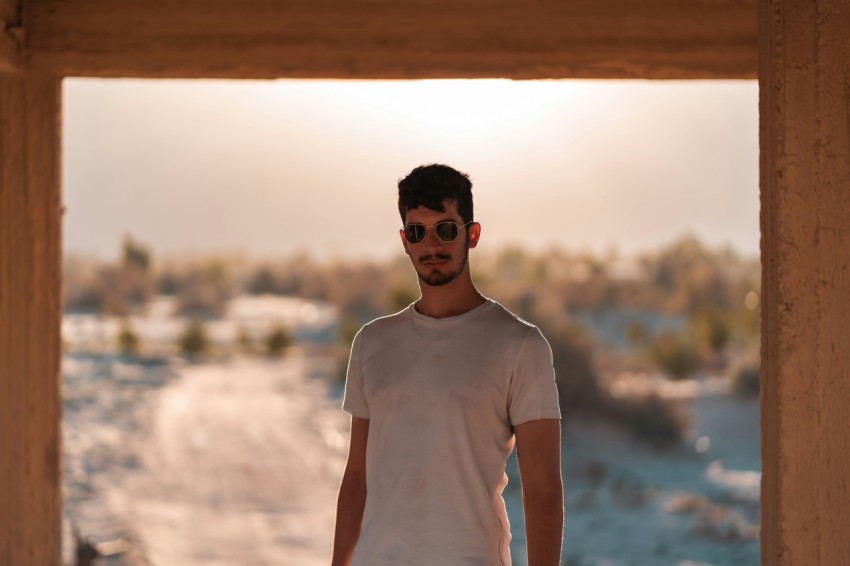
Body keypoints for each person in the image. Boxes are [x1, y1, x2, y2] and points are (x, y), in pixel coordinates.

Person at [331, 164, 563, 566]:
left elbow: (543, 489)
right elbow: (357, 478)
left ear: (472, 234)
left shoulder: (520, 345)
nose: (432, 244)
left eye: (446, 229)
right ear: (405, 241)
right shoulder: (372, 342)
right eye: (418, 232)